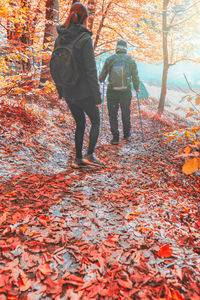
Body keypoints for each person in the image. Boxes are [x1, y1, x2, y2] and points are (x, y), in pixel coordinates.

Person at [53, 2, 103, 167]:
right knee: (96, 121)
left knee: (80, 124)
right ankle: (89, 156)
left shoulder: (61, 36)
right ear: (85, 19)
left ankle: (78, 159)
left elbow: (54, 65)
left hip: (68, 91)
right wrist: (97, 97)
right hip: (84, 92)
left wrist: (61, 90)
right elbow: (91, 70)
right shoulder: (85, 38)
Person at [99, 39, 140, 145]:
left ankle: (115, 138)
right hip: (125, 91)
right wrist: (136, 87)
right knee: (126, 113)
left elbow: (102, 77)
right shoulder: (131, 60)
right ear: (126, 48)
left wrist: (101, 80)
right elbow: (135, 76)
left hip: (112, 91)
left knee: (113, 114)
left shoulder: (110, 59)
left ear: (116, 47)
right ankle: (126, 134)